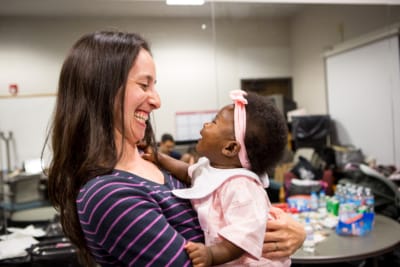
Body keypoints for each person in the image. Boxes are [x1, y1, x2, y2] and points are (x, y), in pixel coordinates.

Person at [44, 30, 305, 267]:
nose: (157, 100)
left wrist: (291, 232)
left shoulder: (151, 163)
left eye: (154, 85)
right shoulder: (111, 195)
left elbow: (234, 211)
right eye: (144, 85)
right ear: (101, 91)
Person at [156, 90, 291, 266]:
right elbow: (188, 172)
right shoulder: (210, 168)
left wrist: (211, 255)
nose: (205, 124)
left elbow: (242, 237)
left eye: (214, 122)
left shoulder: (242, 187)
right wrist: (159, 157)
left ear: (230, 148)